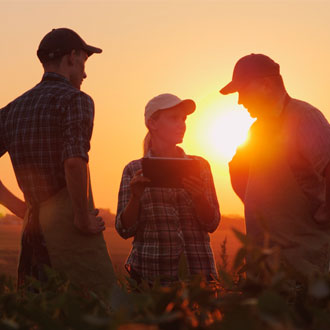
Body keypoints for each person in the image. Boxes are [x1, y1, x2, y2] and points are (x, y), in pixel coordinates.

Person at [0, 28, 115, 292]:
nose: (85, 74)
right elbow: (74, 161)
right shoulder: (76, 100)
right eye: (84, 63)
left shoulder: (12, 110)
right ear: (72, 57)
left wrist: (19, 207)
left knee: (38, 312)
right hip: (70, 233)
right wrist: (81, 217)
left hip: (32, 233)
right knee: (89, 309)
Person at [220, 53, 330, 277]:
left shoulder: (305, 117)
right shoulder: (256, 130)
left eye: (243, 91)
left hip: (305, 265)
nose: (239, 101)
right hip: (264, 266)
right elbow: (237, 169)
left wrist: (325, 217)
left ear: (267, 85)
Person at [115, 93, 220, 285]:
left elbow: (212, 223)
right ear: (152, 123)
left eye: (184, 118)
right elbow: (124, 229)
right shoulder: (133, 170)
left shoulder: (200, 166)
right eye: (174, 118)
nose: (182, 124)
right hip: (150, 277)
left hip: (198, 275)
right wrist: (135, 198)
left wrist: (199, 198)